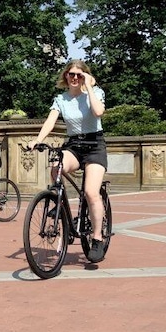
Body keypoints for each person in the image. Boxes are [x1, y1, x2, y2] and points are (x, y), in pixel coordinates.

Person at [28, 59, 108, 263]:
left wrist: (89, 87)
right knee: (56, 165)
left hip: (95, 145)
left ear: (85, 76)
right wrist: (38, 140)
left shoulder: (95, 93)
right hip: (74, 145)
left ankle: (97, 237)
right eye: (71, 74)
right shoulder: (61, 99)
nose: (74, 78)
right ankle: (59, 200)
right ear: (65, 76)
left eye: (79, 75)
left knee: (91, 192)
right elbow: (50, 121)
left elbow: (98, 112)